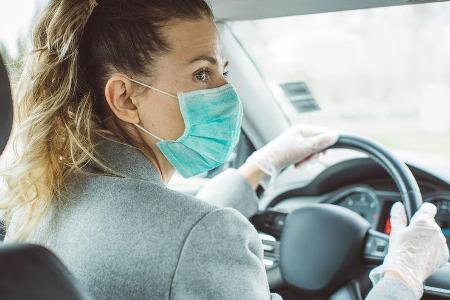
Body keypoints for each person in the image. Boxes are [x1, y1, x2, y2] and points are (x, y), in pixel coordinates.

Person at [0, 0, 447, 299]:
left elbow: (160, 233)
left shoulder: (39, 199)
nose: (226, 91)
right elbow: (185, 238)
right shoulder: (208, 237)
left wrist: (259, 168)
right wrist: (402, 274)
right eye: (201, 74)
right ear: (126, 98)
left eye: (223, 70)